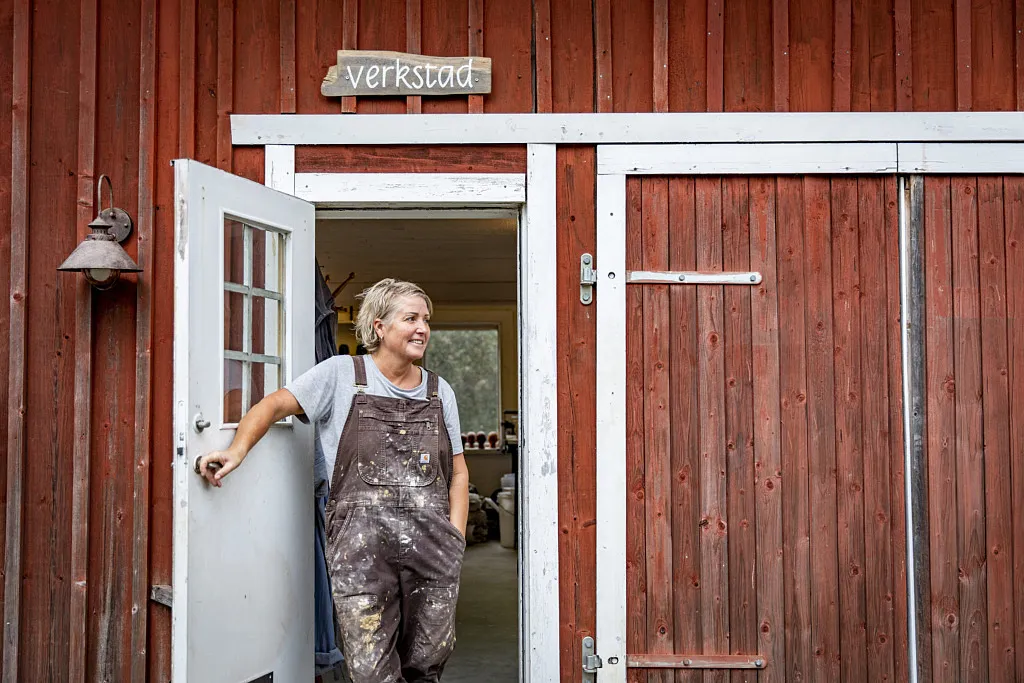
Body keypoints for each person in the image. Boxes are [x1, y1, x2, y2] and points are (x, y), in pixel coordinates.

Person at [199, 278, 470, 683]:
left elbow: (459, 473)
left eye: (425, 319)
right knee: (371, 671)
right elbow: (273, 405)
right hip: (362, 556)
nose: (422, 328)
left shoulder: (438, 391)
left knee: (427, 665)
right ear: (379, 327)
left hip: (432, 552)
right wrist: (237, 450)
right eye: (410, 318)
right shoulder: (342, 375)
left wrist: (456, 539)